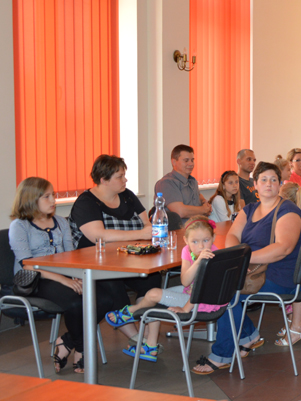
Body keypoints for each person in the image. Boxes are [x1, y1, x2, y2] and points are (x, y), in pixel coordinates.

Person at [191, 162, 301, 375]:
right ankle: (248, 335)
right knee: (223, 287)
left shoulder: (288, 211)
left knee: (227, 293)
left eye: (273, 180)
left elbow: (283, 248)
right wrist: (238, 258)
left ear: (280, 184)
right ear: (255, 184)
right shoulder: (249, 209)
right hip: (253, 269)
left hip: (281, 274)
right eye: (263, 179)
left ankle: (223, 354)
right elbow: (232, 235)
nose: (269, 184)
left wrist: (245, 260)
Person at [70, 155, 162, 354]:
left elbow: (147, 224)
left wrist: (145, 231)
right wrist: (140, 234)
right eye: (120, 176)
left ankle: (148, 337)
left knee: (152, 279)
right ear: (103, 179)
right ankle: (137, 339)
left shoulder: (127, 196)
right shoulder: (86, 203)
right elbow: (99, 236)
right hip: (96, 265)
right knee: (113, 286)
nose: (125, 180)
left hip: (130, 260)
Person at [9, 177, 99, 373]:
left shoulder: (60, 221)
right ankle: (81, 349)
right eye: (47, 196)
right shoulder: (19, 226)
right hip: (35, 281)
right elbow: (27, 265)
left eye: (53, 195)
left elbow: (71, 256)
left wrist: (76, 276)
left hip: (63, 276)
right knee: (75, 302)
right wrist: (64, 280)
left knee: (103, 298)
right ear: (31, 199)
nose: (53, 200)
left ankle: (66, 342)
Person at [104, 216, 221, 362]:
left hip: (201, 302)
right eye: (195, 242)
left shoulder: (213, 257)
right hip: (190, 292)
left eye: (206, 240)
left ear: (213, 238)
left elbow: (203, 290)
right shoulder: (186, 250)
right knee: (151, 295)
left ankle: (133, 314)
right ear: (186, 241)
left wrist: (185, 309)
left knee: (154, 297)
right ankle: (149, 343)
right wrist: (197, 261)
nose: (201, 246)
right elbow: (185, 281)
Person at [154, 145, 212, 223]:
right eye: (186, 160)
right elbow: (180, 212)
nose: (191, 164)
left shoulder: (192, 181)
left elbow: (198, 195)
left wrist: (205, 202)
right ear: (174, 162)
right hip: (179, 228)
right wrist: (204, 210)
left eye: (192, 160)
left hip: (199, 226)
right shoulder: (167, 183)